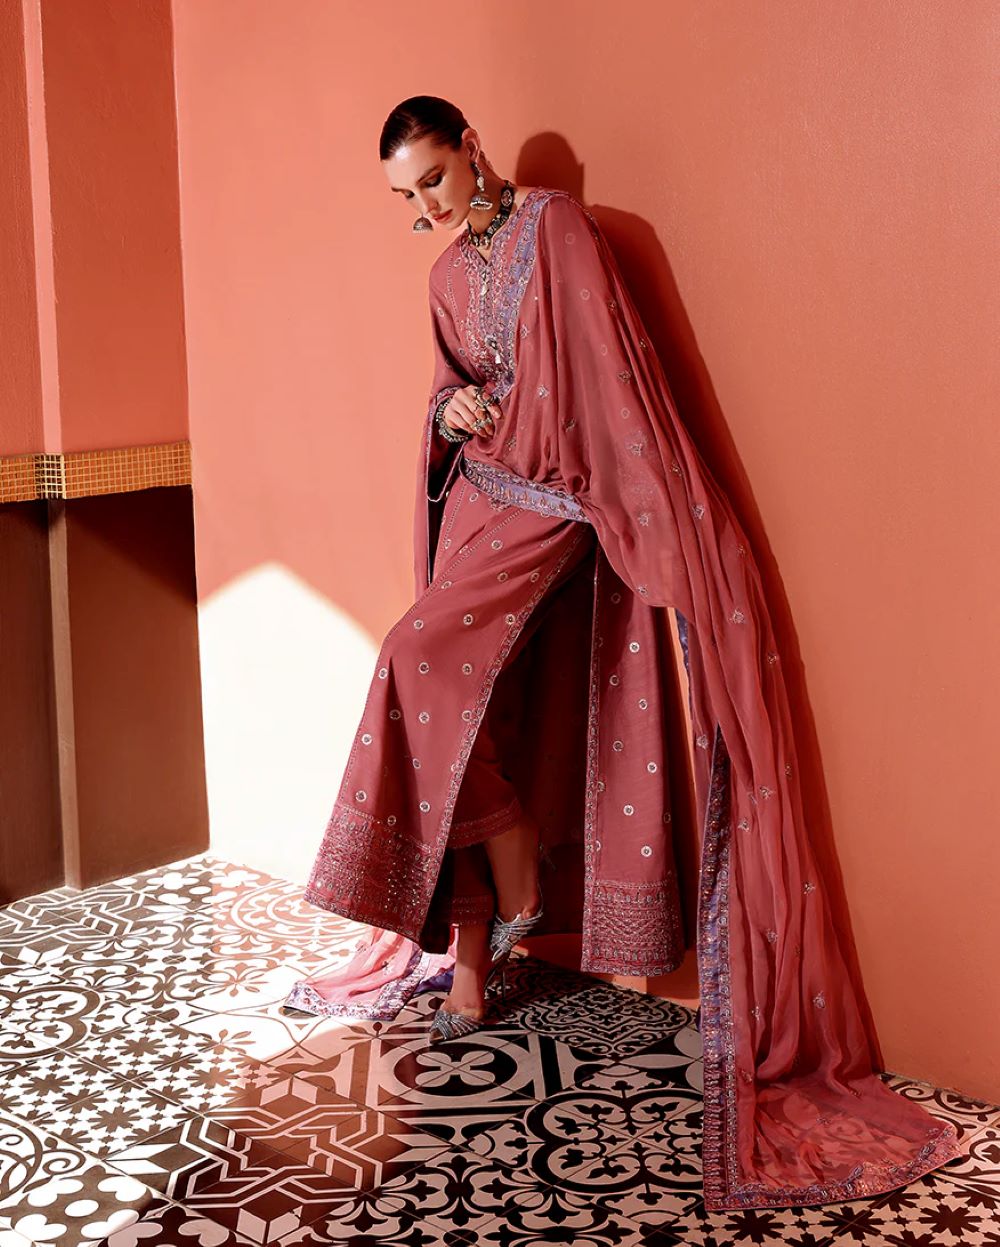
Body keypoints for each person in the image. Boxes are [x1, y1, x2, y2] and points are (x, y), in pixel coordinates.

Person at [287, 95, 963, 1211]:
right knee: (458, 696)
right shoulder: (444, 276)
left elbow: (607, 379)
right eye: (406, 196)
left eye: (434, 180)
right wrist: (450, 414)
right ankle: (474, 947)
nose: (426, 208)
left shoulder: (559, 228)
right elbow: (450, 386)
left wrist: (633, 505)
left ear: (472, 149)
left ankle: (508, 873)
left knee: (415, 658)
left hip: (560, 503)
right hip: (479, 503)